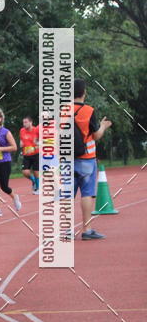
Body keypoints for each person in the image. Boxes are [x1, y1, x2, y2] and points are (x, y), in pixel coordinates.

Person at [73, 79, 112, 240]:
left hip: (67, 159)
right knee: (87, 194)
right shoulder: (88, 110)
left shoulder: (61, 110)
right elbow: (95, 135)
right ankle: (87, 230)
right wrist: (103, 126)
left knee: (67, 195)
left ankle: (65, 230)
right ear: (84, 92)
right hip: (87, 158)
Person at [19, 116, 40, 194]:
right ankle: (34, 181)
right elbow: (21, 139)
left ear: (31, 122)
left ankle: (38, 188)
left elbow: (41, 142)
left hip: (36, 154)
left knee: (36, 172)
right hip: (26, 155)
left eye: (26, 122)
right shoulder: (22, 130)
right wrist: (21, 142)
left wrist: (34, 148)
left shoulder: (36, 130)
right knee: (25, 172)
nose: (24, 124)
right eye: (23, 122)